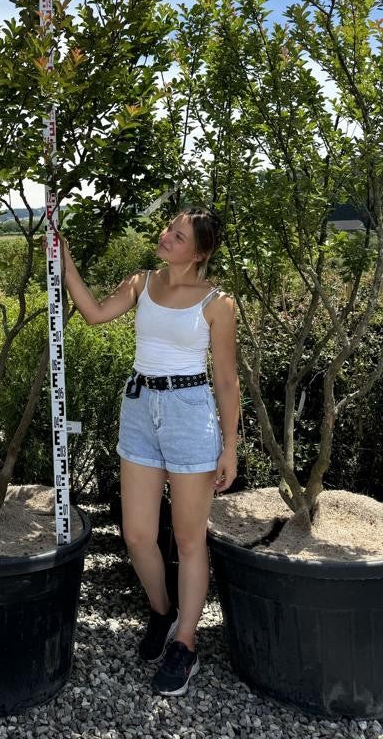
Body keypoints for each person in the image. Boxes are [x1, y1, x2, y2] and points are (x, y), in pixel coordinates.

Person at [58, 207, 240, 697]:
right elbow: (95, 314)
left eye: (178, 235)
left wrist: (231, 444)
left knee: (188, 539)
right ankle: (162, 611)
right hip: (139, 407)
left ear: (200, 251)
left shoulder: (218, 303)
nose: (166, 236)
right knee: (137, 534)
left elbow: (225, 378)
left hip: (190, 413)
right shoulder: (140, 282)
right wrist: (66, 262)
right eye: (168, 228)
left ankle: (185, 642)